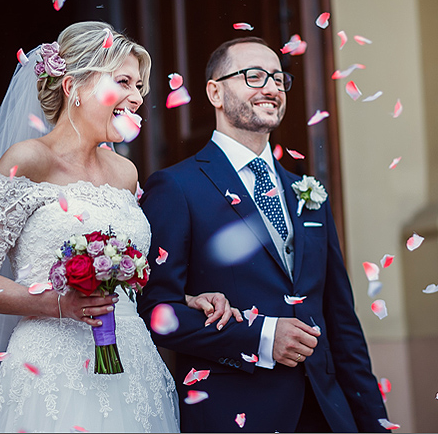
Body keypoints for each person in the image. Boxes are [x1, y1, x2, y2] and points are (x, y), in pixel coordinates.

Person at [0, 21, 239, 433]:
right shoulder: (28, 160)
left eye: (139, 86)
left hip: (131, 365)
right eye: (124, 82)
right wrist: (59, 304)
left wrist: (186, 297)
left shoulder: (125, 172)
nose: (137, 98)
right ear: (74, 86)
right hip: (51, 369)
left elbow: (126, 275)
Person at [137, 37, 390, 433]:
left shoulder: (308, 194)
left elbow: (341, 324)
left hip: (326, 414)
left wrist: (374, 424)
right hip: (234, 414)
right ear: (215, 92)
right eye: (254, 76)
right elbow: (154, 310)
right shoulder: (177, 187)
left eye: (277, 78)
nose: (271, 88)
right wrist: (261, 336)